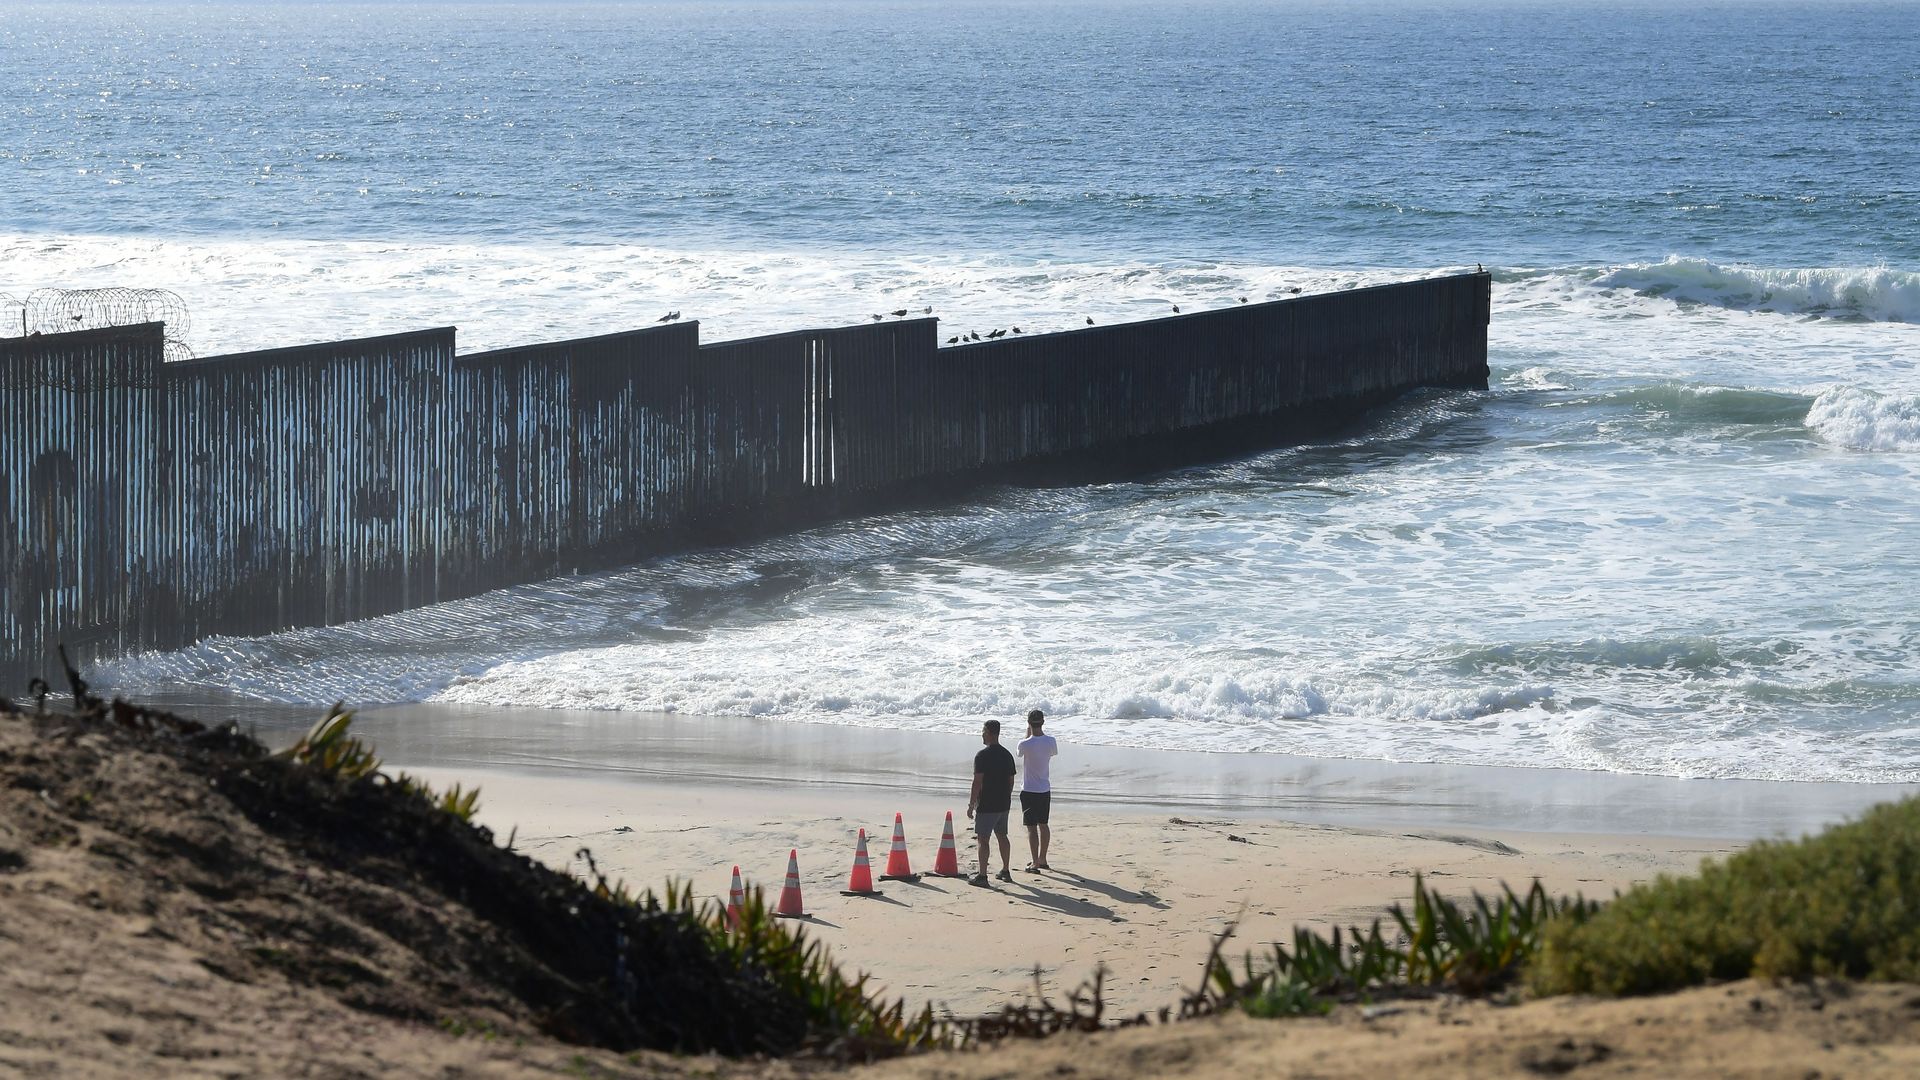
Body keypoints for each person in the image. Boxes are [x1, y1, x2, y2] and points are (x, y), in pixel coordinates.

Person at [966, 719, 1018, 885]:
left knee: (983, 838)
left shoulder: (982, 755)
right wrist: (1006, 796)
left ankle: (982, 875)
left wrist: (971, 804)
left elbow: (977, 782)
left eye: (983, 731)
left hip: (987, 804)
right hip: (1003, 804)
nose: (982, 734)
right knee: (1002, 836)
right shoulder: (1007, 754)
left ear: (988, 732)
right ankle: (1005, 870)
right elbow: (1011, 780)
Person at [1016, 709, 1058, 871]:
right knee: (1044, 824)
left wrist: (1028, 734)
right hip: (1044, 789)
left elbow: (1020, 753)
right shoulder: (1050, 741)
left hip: (1028, 790)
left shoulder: (1024, 743)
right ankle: (1043, 858)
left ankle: (1035, 861)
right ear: (1043, 722)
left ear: (1029, 723)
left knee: (1031, 827)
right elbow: (1052, 753)